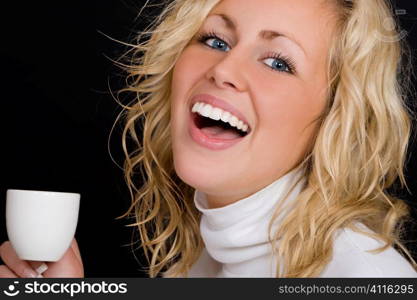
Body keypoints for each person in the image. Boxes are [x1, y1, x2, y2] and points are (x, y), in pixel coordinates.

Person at [1, 0, 417, 278]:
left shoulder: (363, 276)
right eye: (215, 40)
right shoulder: (203, 259)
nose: (224, 69)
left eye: (278, 62)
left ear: (334, 117)